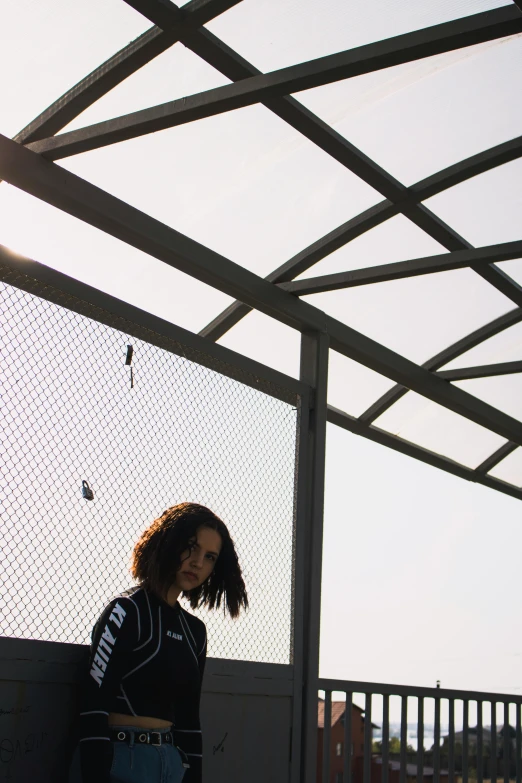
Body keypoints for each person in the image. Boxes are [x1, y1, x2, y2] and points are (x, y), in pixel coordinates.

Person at [78, 502, 248, 783]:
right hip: (124, 759)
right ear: (169, 540)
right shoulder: (126, 611)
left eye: (210, 557)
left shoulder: (195, 632)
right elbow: (93, 704)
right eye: (191, 547)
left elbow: (189, 721)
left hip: (172, 762)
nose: (197, 562)